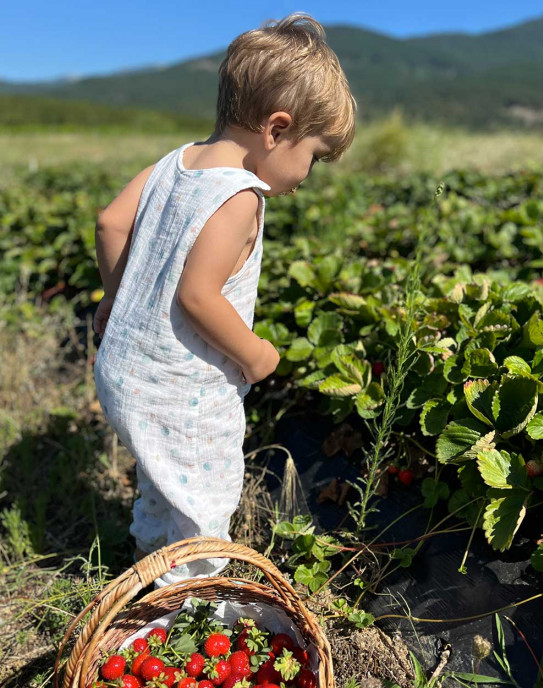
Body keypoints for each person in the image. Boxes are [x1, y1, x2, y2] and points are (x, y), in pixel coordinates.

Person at [92, 11, 356, 589]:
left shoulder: (173, 162)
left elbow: (111, 223)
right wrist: (257, 354)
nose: (308, 174)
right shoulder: (239, 196)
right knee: (204, 498)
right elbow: (198, 296)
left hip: (125, 368)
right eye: (314, 155)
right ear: (277, 129)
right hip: (182, 385)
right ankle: (194, 599)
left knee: (164, 476)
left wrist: (119, 301)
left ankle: (145, 559)